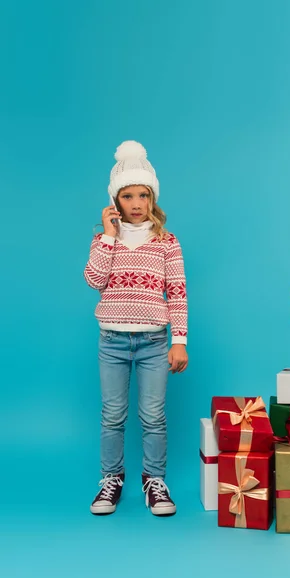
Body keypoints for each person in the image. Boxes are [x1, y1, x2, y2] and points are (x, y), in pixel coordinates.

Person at [84, 140, 188, 517]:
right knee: (112, 415)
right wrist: (110, 236)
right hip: (111, 340)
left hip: (153, 343)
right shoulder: (103, 240)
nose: (137, 202)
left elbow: (177, 292)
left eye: (143, 194)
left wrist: (180, 341)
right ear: (116, 201)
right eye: (128, 195)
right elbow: (93, 279)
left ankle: (154, 480)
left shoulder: (166, 241)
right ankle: (111, 478)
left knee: (153, 415)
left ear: (152, 197)